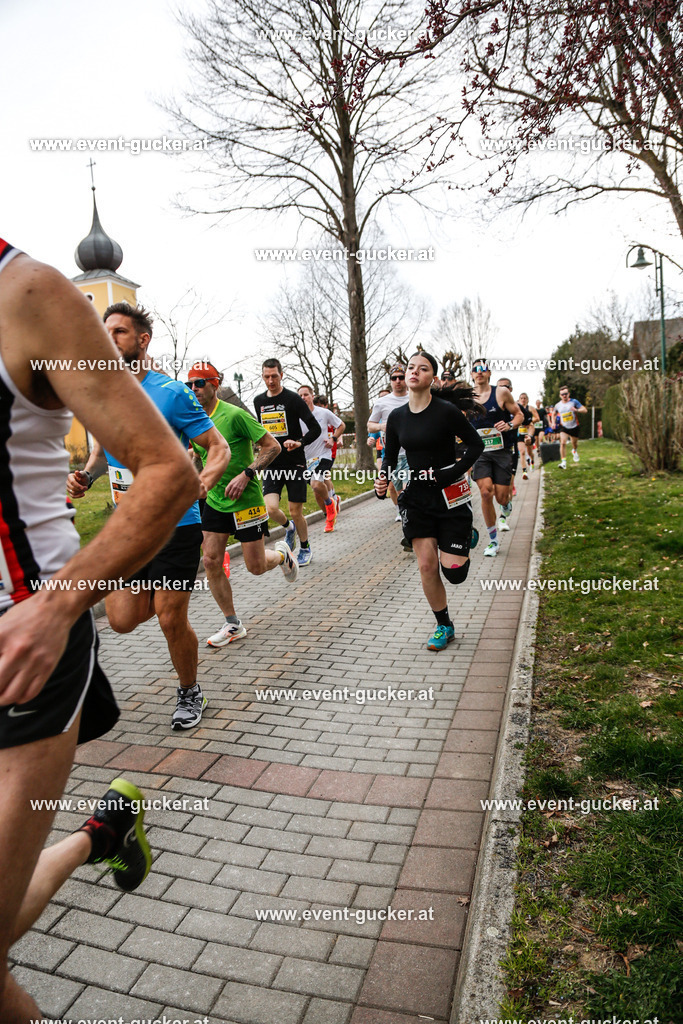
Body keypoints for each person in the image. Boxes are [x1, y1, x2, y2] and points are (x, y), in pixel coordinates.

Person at [0, 240, 199, 1021]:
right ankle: (104, 828)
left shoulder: (31, 295)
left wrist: (56, 606)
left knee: (165, 612)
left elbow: (173, 469)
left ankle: (184, 690)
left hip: (24, 642)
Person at [67, 303, 229, 731]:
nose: (109, 339)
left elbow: (218, 448)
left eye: (119, 332)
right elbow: (104, 453)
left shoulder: (171, 393)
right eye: (106, 332)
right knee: (120, 618)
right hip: (130, 526)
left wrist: (203, 484)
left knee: (170, 615)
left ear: (142, 341)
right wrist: (85, 475)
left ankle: (190, 691)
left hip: (177, 523)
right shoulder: (100, 393)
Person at [374, 352, 484, 650]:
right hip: (417, 499)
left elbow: (476, 444)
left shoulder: (446, 411)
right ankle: (443, 625)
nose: (413, 372)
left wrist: (453, 471)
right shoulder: (396, 417)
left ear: (431, 378)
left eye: (422, 369)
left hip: (450, 497)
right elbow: (389, 454)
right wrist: (382, 479)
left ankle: (464, 535)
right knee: (426, 565)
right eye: (410, 367)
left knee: (455, 574)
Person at [187, 362, 298, 649]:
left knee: (256, 567)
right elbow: (199, 451)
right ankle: (233, 623)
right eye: (190, 385)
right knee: (210, 560)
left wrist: (246, 473)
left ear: (215, 383)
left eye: (199, 383)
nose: (194, 389)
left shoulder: (234, 414)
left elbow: (271, 446)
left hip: (246, 501)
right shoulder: (194, 419)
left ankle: (282, 555)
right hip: (214, 500)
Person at [253, 359, 321, 566]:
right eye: (266, 376)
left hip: (295, 464)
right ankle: (288, 527)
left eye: (274, 376)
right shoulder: (258, 401)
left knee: (295, 510)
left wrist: (299, 442)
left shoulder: (293, 399)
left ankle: (305, 547)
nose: (271, 380)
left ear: (282, 375)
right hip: (271, 463)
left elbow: (315, 429)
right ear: (263, 376)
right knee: (271, 508)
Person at [470, 360, 523, 557]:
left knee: (501, 496)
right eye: (476, 369)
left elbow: (518, 415)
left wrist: (509, 425)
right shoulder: (467, 397)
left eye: (483, 369)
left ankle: (506, 505)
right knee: (485, 493)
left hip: (501, 451)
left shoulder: (500, 392)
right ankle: (493, 541)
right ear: (472, 374)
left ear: (489, 372)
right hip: (480, 453)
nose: (479, 372)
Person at [368, 365, 411, 541]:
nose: (398, 381)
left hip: (412, 454)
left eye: (401, 377)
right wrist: (381, 426)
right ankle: (401, 512)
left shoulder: (415, 397)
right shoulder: (382, 403)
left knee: (410, 490)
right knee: (394, 488)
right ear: (391, 381)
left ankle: (411, 531)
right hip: (391, 454)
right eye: (394, 378)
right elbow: (370, 425)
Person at [299, 387, 345, 532]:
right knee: (317, 491)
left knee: (316, 484)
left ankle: (330, 504)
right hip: (305, 459)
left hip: (323, 455)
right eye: (300, 395)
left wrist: (334, 439)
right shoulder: (296, 417)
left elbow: (341, 425)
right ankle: (329, 516)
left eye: (306, 394)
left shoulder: (323, 413)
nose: (303, 397)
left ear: (312, 396)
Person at [313, 393, 343, 516]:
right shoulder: (314, 416)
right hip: (316, 451)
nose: (318, 408)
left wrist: (338, 439)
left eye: (320, 406)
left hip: (330, 450)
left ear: (326, 405)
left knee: (325, 476)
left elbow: (339, 427)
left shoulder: (329, 415)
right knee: (325, 477)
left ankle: (333, 500)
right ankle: (334, 498)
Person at [554, 386, 587, 467]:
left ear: (568, 394)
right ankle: (563, 462)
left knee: (574, 443)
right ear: (560, 395)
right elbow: (554, 413)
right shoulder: (558, 405)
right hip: (564, 427)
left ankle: (574, 451)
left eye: (565, 394)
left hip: (574, 426)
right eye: (562, 394)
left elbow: (585, 410)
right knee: (563, 442)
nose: (564, 396)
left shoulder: (574, 402)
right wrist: (552, 422)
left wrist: (577, 410)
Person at [516, 392, 539, 479]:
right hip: (520, 433)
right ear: (519, 399)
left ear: (527, 399)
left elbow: (537, 418)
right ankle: (524, 471)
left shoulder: (530, 408)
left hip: (529, 432)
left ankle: (532, 460)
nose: (523, 399)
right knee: (522, 452)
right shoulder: (517, 409)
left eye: (525, 398)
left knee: (529, 452)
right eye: (521, 398)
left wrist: (529, 422)